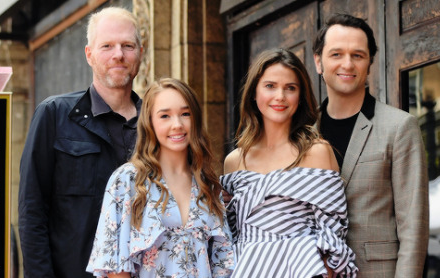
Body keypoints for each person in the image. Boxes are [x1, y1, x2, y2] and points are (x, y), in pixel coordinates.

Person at [18, 7, 143, 278]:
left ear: (140, 53)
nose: (118, 54)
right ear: (89, 55)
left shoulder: (157, 124)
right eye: (107, 46)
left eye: (128, 45)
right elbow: (32, 212)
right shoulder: (54, 115)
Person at [221, 48, 358, 277]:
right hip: (248, 268)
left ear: (300, 96)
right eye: (270, 86)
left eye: (290, 88)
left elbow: (333, 231)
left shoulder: (318, 152)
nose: (280, 97)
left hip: (302, 268)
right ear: (254, 92)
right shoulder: (234, 161)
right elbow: (230, 233)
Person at [312, 13, 429, 277]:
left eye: (358, 55)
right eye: (336, 54)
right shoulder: (303, 134)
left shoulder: (399, 127)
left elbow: (414, 228)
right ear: (318, 62)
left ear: (369, 62)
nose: (347, 64)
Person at [86, 78, 234, 277]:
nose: (177, 124)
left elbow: (223, 263)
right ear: (150, 122)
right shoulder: (128, 181)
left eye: (185, 114)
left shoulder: (207, 184)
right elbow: (116, 268)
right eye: (165, 116)